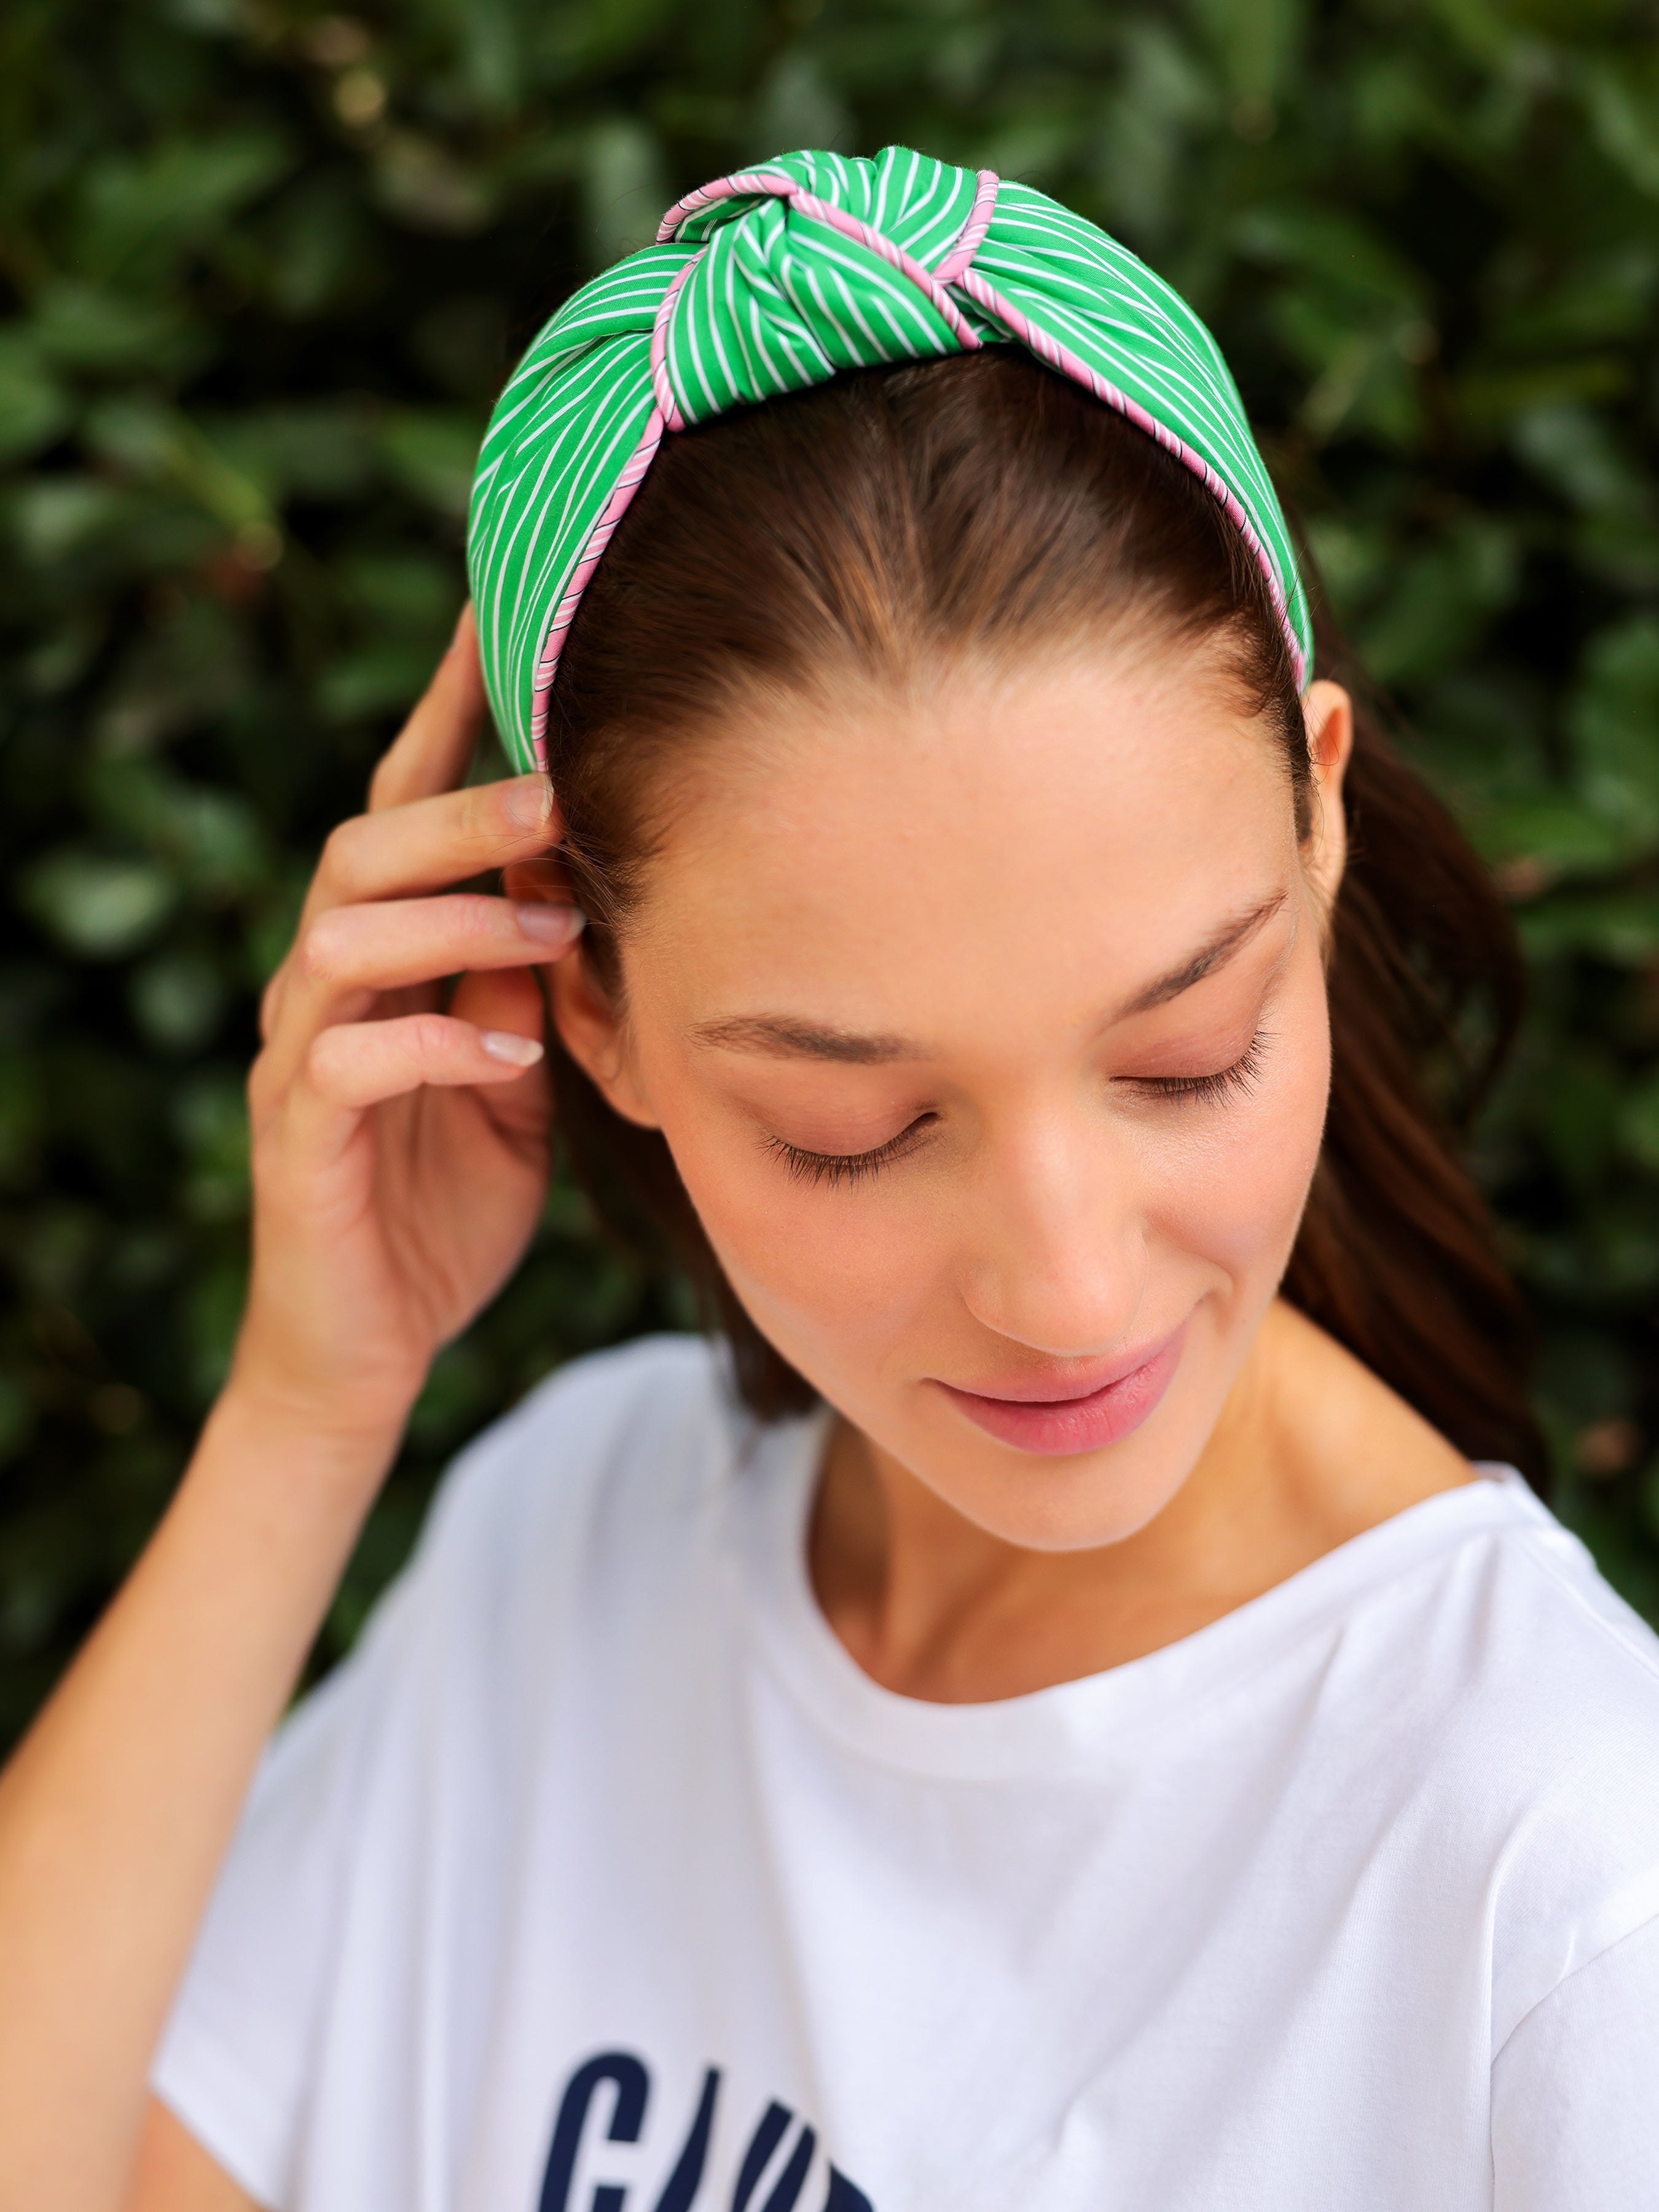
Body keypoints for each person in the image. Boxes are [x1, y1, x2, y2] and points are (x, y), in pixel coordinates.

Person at [1, 145, 1655, 2212]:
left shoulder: (1566, 1901)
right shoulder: (576, 1539)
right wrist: (304, 1414)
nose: (1066, 1288)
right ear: (577, 993)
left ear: (1316, 822)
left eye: (1182, 1053)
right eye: (853, 1130)